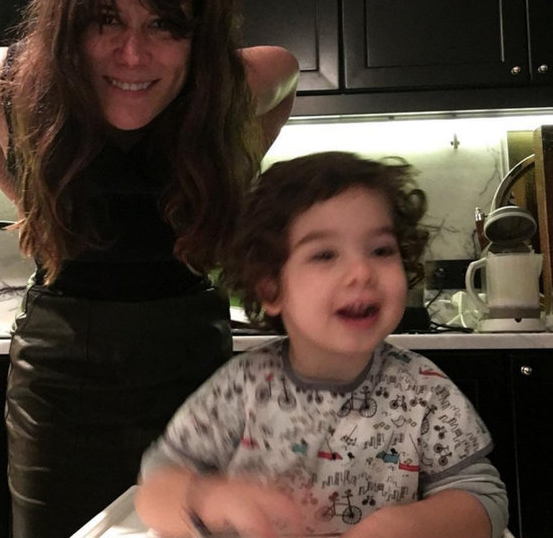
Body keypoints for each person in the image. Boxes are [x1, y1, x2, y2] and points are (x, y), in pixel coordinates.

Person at [0, 0, 299, 536]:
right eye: (106, 19)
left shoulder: (227, 90)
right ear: (68, 24)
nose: (133, 54)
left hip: (195, 368)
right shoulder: (19, 90)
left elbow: (284, 72)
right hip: (60, 381)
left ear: (198, 33)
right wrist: (26, 190)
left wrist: (226, 174)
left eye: (165, 24)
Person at [135, 152, 509, 538]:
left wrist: (407, 526)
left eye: (381, 250)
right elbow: (155, 486)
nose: (361, 272)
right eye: (325, 255)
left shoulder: (424, 391)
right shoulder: (241, 389)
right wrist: (206, 498)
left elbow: (485, 498)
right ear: (271, 288)